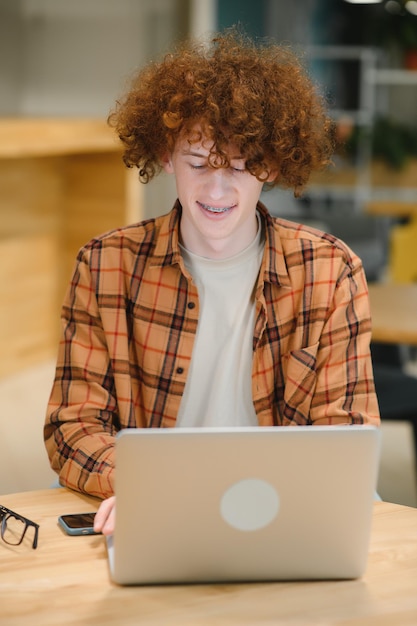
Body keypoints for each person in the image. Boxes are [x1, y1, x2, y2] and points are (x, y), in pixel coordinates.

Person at [44, 29, 380, 535]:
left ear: (269, 165)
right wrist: (137, 484)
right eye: (198, 163)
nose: (217, 189)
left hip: (279, 502)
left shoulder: (330, 271)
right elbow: (73, 423)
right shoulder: (105, 264)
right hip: (149, 497)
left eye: (240, 167)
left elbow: (348, 432)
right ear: (165, 156)